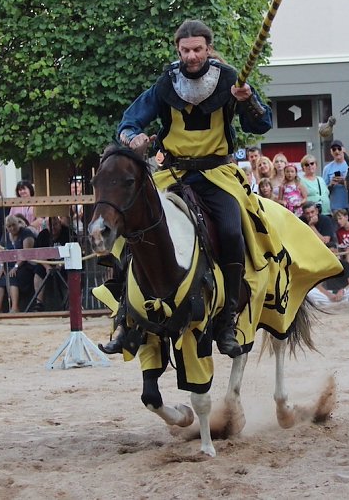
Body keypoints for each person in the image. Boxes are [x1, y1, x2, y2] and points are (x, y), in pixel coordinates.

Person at [116, 19, 274, 358]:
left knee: (233, 232)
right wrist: (134, 137)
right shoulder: (166, 84)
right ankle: (125, 316)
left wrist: (247, 101)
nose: (191, 56)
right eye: (185, 50)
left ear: (208, 48)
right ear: (178, 50)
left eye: (197, 49)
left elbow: (261, 123)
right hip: (173, 173)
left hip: (217, 175)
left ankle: (229, 319)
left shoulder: (231, 80)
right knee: (132, 224)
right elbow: (129, 121)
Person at [322, 140, 349, 214]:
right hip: (335, 207)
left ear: (343, 149)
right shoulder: (327, 168)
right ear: (331, 152)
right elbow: (324, 190)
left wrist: (344, 182)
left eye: (339, 148)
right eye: (334, 149)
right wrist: (331, 184)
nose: (337, 151)